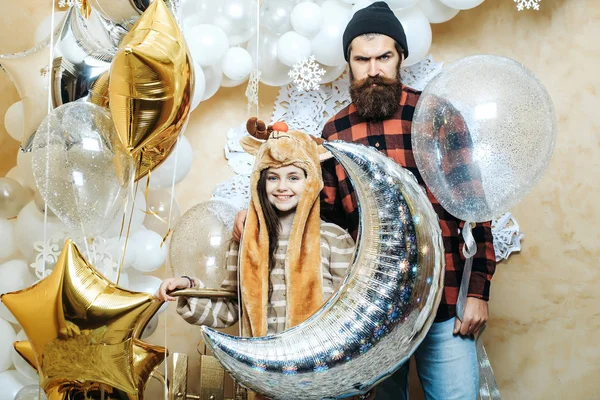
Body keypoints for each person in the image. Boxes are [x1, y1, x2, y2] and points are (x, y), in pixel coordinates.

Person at [316, 2, 496, 399]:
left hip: (445, 303)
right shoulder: (334, 132)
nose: (373, 70)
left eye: (384, 57)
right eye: (362, 60)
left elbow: (473, 205)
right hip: (372, 312)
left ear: (401, 58)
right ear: (349, 63)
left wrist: (478, 292)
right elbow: (325, 223)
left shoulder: (436, 115)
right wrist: (260, 211)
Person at [156, 121, 355, 341]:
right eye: (272, 178)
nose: (282, 187)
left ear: (311, 181)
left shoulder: (334, 239)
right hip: (264, 368)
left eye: (293, 177)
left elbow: (349, 309)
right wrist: (188, 290)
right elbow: (231, 307)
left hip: (317, 364)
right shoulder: (244, 241)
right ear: (260, 182)